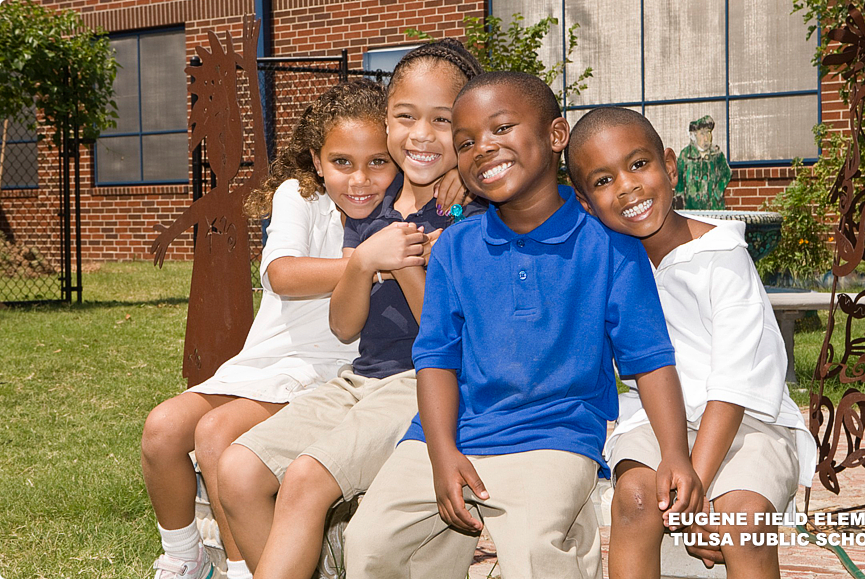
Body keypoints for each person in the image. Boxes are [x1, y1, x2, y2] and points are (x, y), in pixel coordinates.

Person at [343, 72, 701, 579]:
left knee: (536, 553)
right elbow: (437, 357)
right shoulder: (454, 250)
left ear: (557, 136)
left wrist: (675, 456)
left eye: (502, 128)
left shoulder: (610, 247)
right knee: (369, 542)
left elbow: (650, 359)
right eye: (465, 142)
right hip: (450, 432)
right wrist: (442, 452)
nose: (482, 148)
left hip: (555, 434)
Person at [216, 39, 484, 579]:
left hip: (425, 382)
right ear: (387, 121)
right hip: (359, 375)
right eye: (405, 117)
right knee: (238, 470)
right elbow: (344, 327)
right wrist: (363, 263)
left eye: (442, 120)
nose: (421, 135)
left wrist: (404, 261)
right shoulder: (376, 203)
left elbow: (450, 336)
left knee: (306, 480)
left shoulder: (469, 212)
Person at [140, 79, 403, 579]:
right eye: (342, 162)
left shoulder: (398, 213)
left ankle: (242, 566)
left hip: (330, 368)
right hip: (266, 359)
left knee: (216, 432)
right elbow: (282, 274)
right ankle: (185, 556)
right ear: (316, 160)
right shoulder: (300, 196)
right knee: (162, 429)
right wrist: (364, 264)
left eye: (378, 162)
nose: (360, 179)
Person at [566, 106, 817, 579]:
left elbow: (735, 382)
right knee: (638, 499)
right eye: (602, 181)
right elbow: (529, 197)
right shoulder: (609, 263)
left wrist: (694, 484)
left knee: (743, 523)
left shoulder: (721, 255)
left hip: (749, 419)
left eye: (639, 164)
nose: (627, 186)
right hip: (658, 421)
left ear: (670, 164)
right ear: (584, 201)